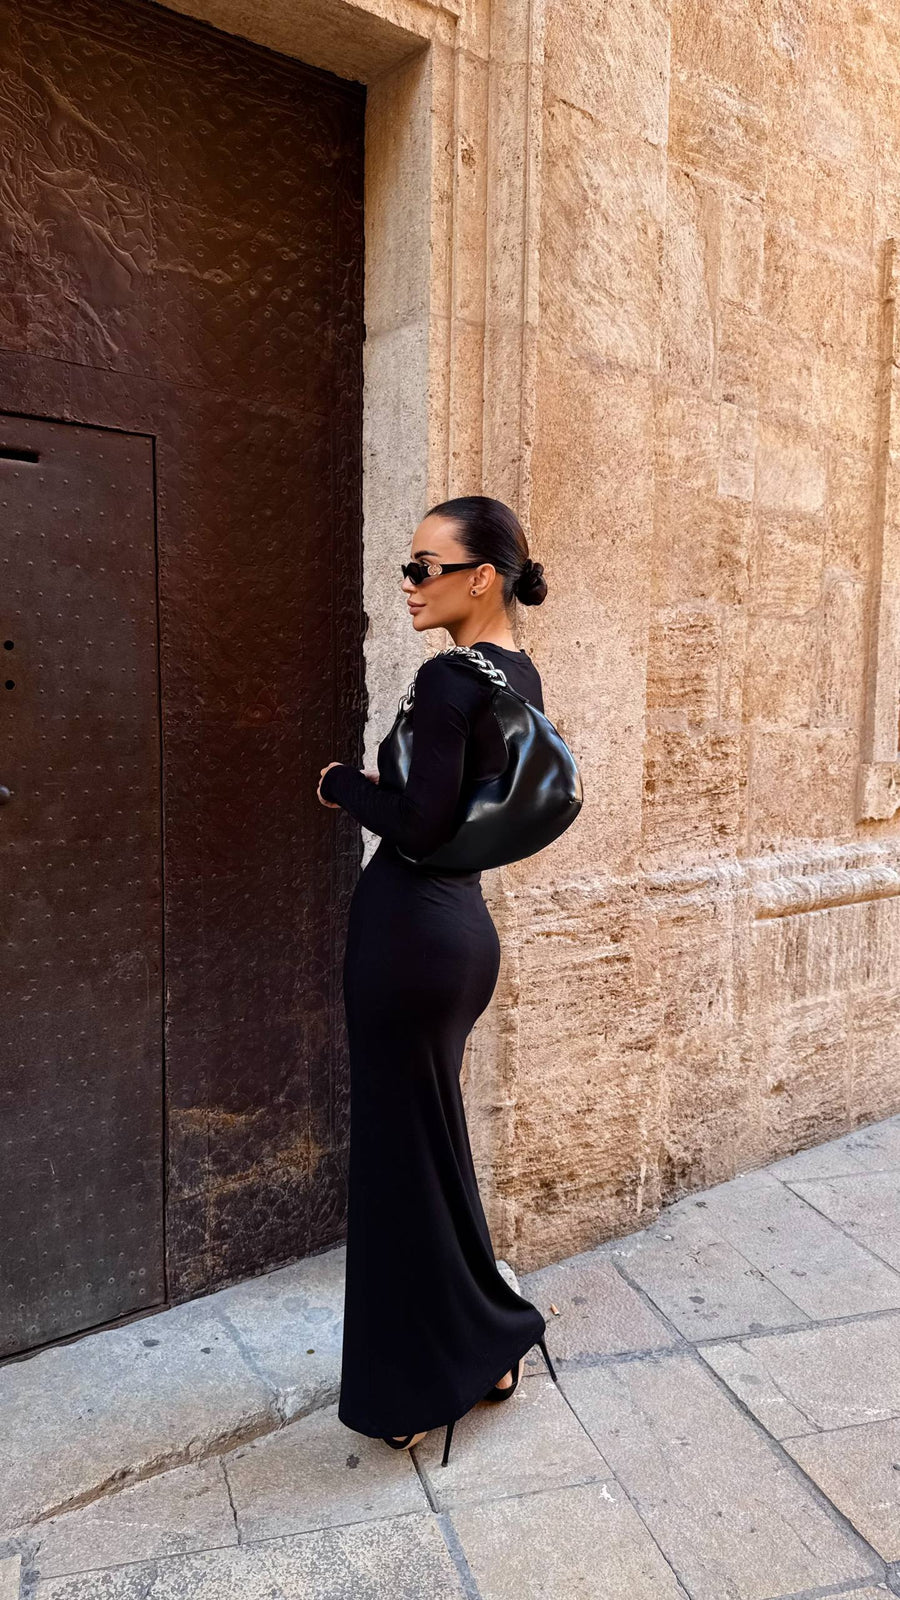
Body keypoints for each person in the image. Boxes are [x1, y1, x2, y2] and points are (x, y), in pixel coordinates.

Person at [317, 494, 558, 1467]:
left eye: (424, 566)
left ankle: (417, 1381)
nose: (409, 583)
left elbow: (417, 823)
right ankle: (490, 1340)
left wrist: (342, 784)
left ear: (481, 577)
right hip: (461, 937)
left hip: (409, 938)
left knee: (396, 1164)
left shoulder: (448, 678)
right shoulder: (519, 672)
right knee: (432, 1150)